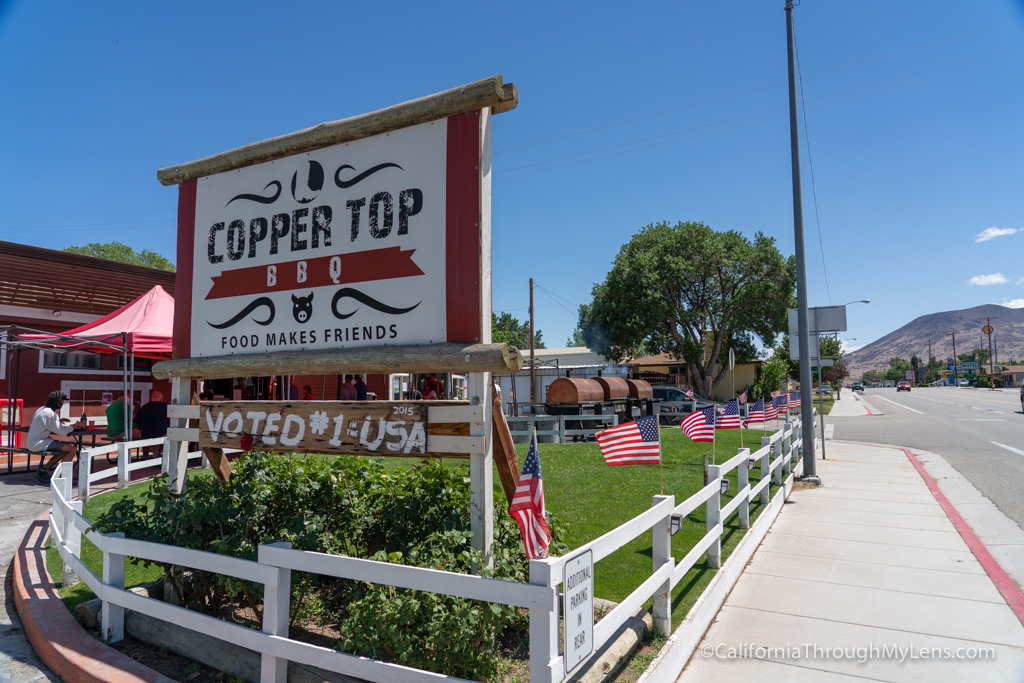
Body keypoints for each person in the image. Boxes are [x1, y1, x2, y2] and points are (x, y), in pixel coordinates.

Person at [28, 391, 85, 483]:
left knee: (64, 449)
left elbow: (48, 424)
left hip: (34, 442)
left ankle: (44, 470)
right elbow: (63, 432)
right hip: (38, 443)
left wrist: (58, 421)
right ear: (57, 401)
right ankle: (63, 477)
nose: (63, 403)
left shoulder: (41, 409)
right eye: (62, 401)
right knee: (72, 449)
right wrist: (76, 425)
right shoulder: (50, 414)